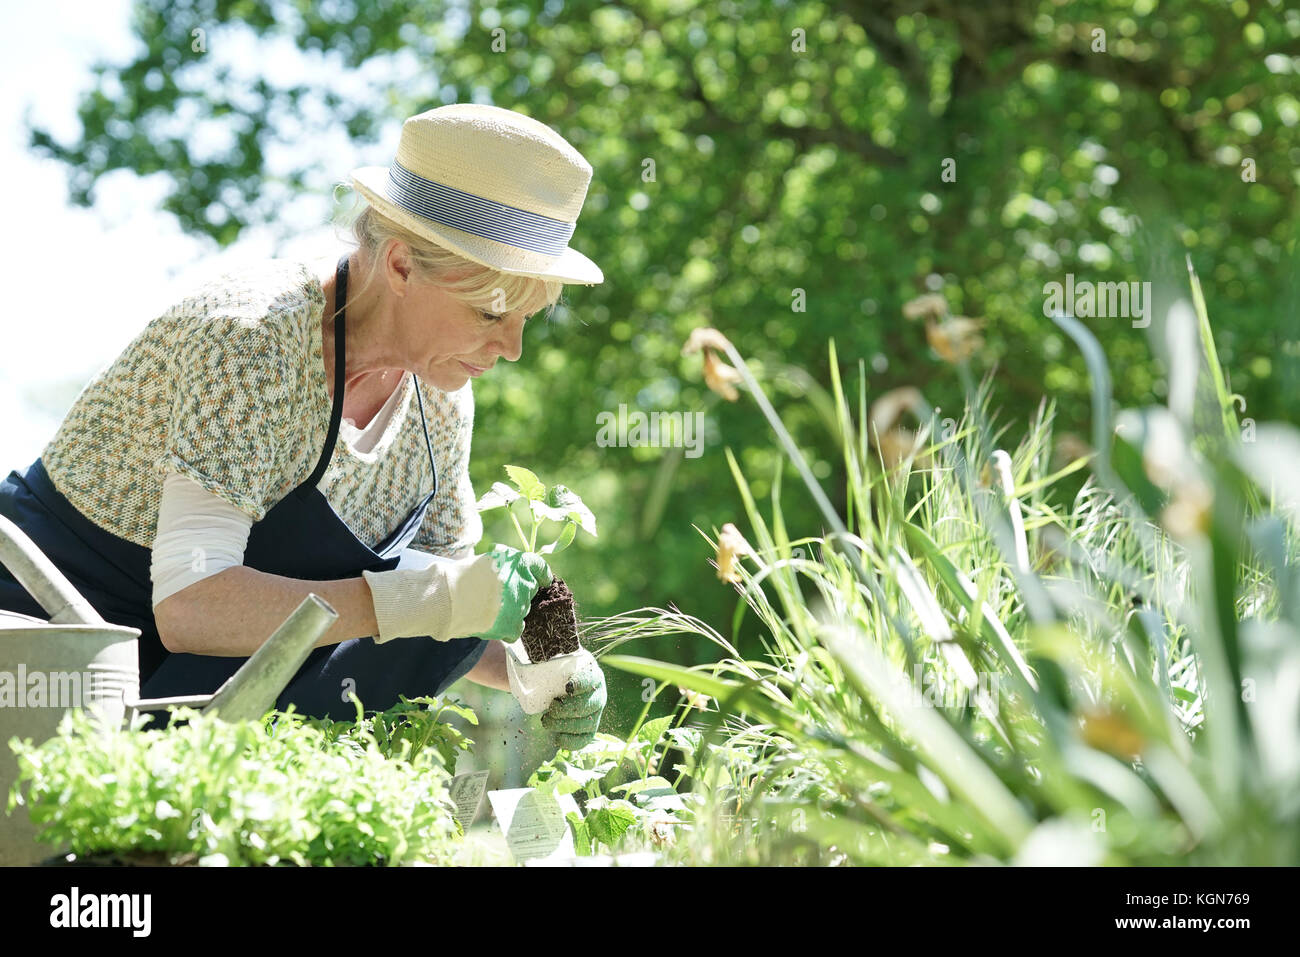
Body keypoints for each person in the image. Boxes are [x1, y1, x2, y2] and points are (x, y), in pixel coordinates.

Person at [0, 103, 606, 750]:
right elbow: (192, 605)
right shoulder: (250, 340)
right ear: (400, 264)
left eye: (527, 318)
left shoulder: (440, 401)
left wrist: (531, 669)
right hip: (53, 653)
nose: (512, 347)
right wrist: (419, 600)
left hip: (206, 692)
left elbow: (444, 614)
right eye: (491, 312)